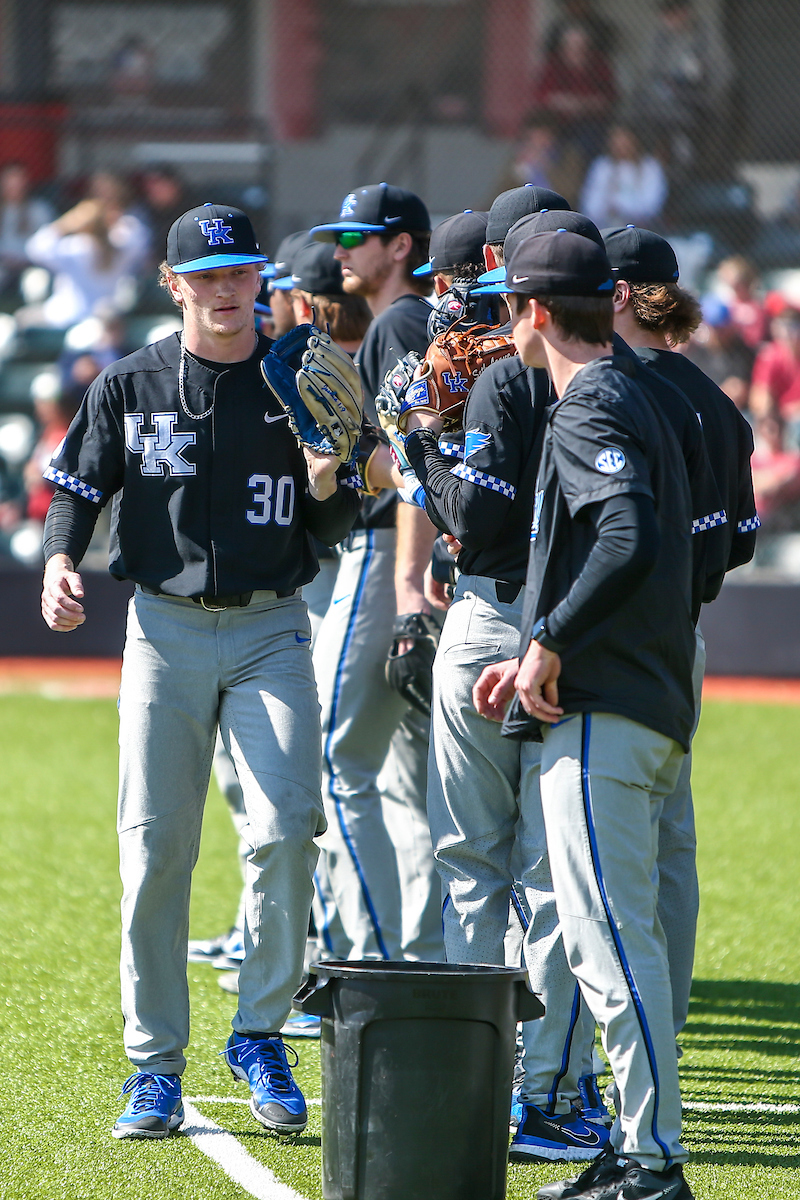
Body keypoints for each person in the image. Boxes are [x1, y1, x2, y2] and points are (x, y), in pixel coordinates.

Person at [39, 203, 360, 1139]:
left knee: (289, 831)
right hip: (163, 631)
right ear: (173, 284)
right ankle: (154, 1065)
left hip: (272, 631)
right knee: (154, 850)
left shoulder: (298, 373)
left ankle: (258, 1032)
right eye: (207, 275)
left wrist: (335, 484)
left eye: (241, 273)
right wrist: (63, 559)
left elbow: (330, 527)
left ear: (260, 279)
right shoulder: (130, 383)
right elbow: (77, 485)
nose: (227, 290)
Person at [475, 230, 697, 1199]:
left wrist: (547, 640)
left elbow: (626, 531)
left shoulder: (589, 399)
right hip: (638, 698)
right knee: (615, 942)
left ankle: (652, 1165)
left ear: (531, 312)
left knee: (610, 949)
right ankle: (634, 1152)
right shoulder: (644, 391)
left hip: (604, 708)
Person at [405, 208, 617, 1164]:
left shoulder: (497, 379)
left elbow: (477, 525)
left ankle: (474, 1082)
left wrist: (416, 442)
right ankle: (548, 1093)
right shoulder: (623, 381)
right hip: (584, 632)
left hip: (493, 617)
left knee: (475, 861)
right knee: (549, 873)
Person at [603, 225, 758, 1049]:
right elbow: (732, 547)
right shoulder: (723, 406)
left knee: (583, 851)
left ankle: (577, 1058)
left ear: (620, 295)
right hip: (681, 640)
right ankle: (660, 1030)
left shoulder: (610, 390)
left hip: (601, 645)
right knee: (671, 845)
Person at [309, 183, 444, 962]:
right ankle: (427, 958)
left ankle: (372, 962)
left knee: (336, 762)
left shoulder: (400, 321)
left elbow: (408, 468)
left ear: (401, 246)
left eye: (358, 237)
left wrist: (402, 589)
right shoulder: (436, 323)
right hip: (435, 561)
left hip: (390, 551)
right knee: (415, 780)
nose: (342, 252)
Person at [23, 195, 148, 328]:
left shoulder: (78, 247)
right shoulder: (121, 246)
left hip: (69, 317)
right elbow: (140, 239)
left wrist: (67, 221)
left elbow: (34, 248)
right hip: (103, 317)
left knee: (22, 317)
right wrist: (115, 220)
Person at [580, 125, 668, 231]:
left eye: (625, 140)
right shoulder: (602, 166)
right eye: (616, 141)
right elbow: (590, 204)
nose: (620, 146)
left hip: (643, 229)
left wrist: (621, 208)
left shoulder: (650, 167)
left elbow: (652, 205)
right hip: (606, 228)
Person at [0, 161, 53, 298]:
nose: (14, 186)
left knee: (36, 289)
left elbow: (49, 244)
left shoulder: (40, 209)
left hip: (31, 266)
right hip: (2, 266)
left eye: (18, 180)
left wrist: (28, 260)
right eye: (9, 181)